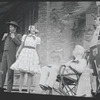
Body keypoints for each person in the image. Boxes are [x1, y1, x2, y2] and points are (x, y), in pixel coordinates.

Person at [10, 25, 41, 93]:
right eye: (32, 28)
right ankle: (20, 90)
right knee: (22, 72)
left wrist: (38, 58)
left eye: (34, 28)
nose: (33, 29)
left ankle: (28, 90)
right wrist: (17, 52)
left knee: (30, 73)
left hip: (32, 54)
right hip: (25, 53)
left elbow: (37, 49)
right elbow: (21, 45)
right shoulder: (25, 36)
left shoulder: (37, 38)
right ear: (29, 29)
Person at [0, 21, 22, 92]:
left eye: (11, 27)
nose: (10, 28)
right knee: (2, 71)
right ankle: (1, 86)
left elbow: (20, 44)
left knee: (10, 72)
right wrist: (2, 39)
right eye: (9, 27)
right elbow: (2, 46)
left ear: (15, 28)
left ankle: (9, 90)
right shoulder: (6, 35)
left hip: (11, 55)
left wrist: (14, 38)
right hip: (4, 54)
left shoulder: (18, 35)